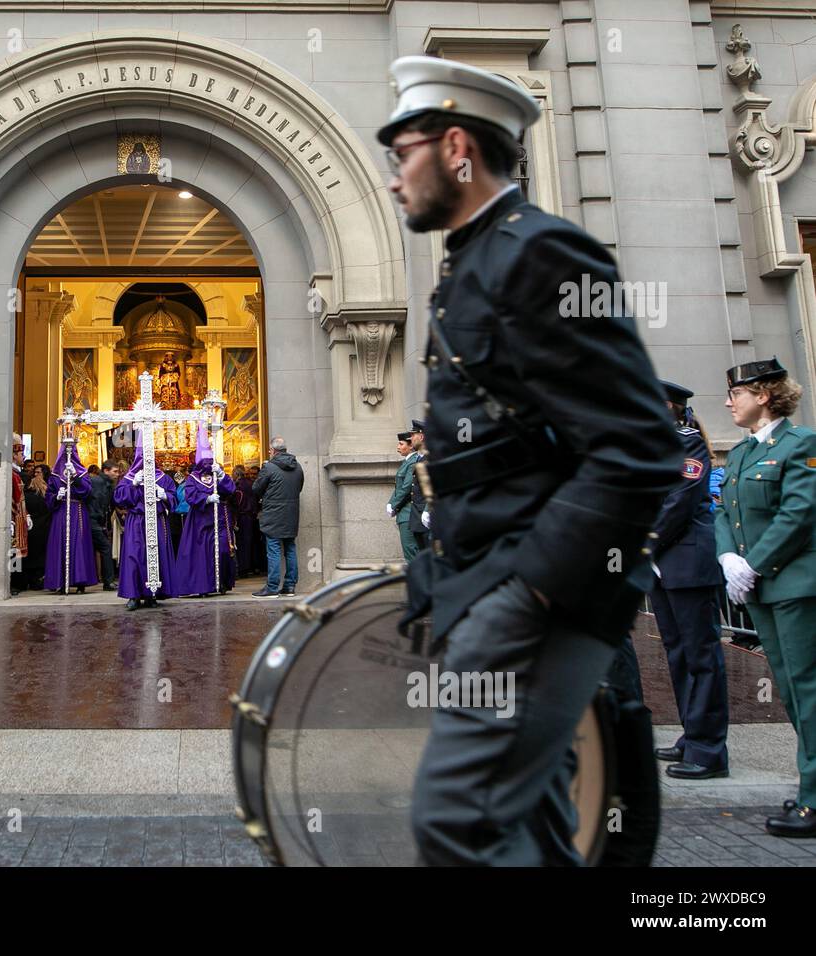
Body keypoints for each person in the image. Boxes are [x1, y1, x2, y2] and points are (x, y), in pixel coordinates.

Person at [380, 55, 681, 865]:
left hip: (536, 592)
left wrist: (533, 592)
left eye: (401, 151)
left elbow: (641, 445)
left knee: (460, 821)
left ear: (454, 149)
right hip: (489, 580)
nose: (392, 177)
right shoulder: (476, 261)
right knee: (538, 832)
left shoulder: (539, 254)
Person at [715, 357, 816, 837]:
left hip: (794, 585)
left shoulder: (801, 444)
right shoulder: (738, 455)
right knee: (795, 696)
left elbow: (799, 513)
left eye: (738, 392)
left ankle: (814, 798)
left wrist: (752, 563)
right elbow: (722, 514)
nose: (730, 400)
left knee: (808, 692)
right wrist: (727, 558)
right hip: (761, 590)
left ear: (766, 395)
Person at [644, 380, 730, 780]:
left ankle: (710, 749)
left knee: (701, 655)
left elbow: (680, 499)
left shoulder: (688, 442)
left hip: (686, 561)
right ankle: (691, 734)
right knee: (678, 654)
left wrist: (645, 543)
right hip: (663, 568)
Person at [114, 428, 179, 610]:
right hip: (136, 521)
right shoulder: (129, 478)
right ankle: (133, 595)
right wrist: (133, 485)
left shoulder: (164, 478)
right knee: (134, 556)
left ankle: (153, 594)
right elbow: (118, 498)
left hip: (157, 521)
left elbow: (174, 499)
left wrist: (164, 495)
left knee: (156, 556)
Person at [177, 425, 237, 597]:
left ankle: (221, 582)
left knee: (223, 550)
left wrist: (221, 475)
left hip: (220, 519)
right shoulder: (192, 479)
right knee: (201, 553)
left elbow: (230, 489)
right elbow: (190, 496)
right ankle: (204, 585)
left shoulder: (218, 473)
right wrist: (206, 499)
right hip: (200, 520)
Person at [251, 437, 305, 597]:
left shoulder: (269, 468)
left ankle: (272, 587)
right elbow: (299, 488)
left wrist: (263, 471)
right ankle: (289, 586)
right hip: (291, 514)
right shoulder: (298, 467)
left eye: (269, 450)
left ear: (273, 451)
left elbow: (256, 489)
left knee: (273, 550)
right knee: (290, 548)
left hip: (273, 515)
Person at [44, 443, 98, 594]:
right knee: (60, 544)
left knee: (78, 545)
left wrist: (75, 476)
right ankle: (60, 581)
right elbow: (48, 496)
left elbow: (87, 492)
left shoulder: (82, 473)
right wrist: (57, 496)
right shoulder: (55, 475)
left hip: (78, 510)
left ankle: (80, 581)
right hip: (60, 512)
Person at [387, 431, 419, 562]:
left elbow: (406, 488)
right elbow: (399, 488)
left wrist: (393, 504)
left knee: (411, 551)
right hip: (404, 512)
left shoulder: (412, 462)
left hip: (408, 513)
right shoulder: (407, 462)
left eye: (401, 444)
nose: (398, 447)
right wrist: (391, 503)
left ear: (411, 446)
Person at [86, 459, 118, 591]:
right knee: (105, 548)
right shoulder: (100, 482)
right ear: (106, 471)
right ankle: (108, 581)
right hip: (94, 520)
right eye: (114, 471)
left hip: (95, 520)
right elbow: (98, 501)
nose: (117, 474)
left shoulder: (105, 482)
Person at [22, 473, 51, 590]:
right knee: (40, 557)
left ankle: (26, 581)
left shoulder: (26, 496)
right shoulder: (45, 497)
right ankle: (37, 581)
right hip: (43, 530)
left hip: (30, 530)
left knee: (29, 557)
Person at [10, 434, 31, 596]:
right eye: (20, 454)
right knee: (13, 551)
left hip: (21, 516)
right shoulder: (11, 473)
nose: (22, 457)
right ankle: (12, 583)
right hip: (15, 517)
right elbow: (12, 497)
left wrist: (27, 515)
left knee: (17, 550)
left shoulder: (16, 473)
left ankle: (18, 581)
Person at [407, 420, 430, 551]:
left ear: (421, 436)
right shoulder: (419, 459)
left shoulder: (430, 458)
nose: (411, 438)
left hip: (427, 515)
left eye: (413, 435)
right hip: (417, 516)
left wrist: (428, 510)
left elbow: (434, 487)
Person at [232, 465, 256, 577]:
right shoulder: (250, 484)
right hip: (250, 515)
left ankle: (242, 568)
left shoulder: (238, 486)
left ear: (236, 474)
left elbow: (237, 503)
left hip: (242, 516)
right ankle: (248, 567)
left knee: (241, 543)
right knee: (248, 542)